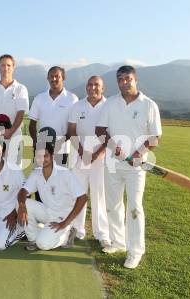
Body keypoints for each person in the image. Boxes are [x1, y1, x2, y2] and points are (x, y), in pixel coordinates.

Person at [95, 65, 162, 269]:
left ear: (136, 80)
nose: (124, 82)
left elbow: (155, 136)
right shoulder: (110, 104)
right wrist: (115, 149)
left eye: (128, 79)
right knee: (113, 205)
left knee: (134, 208)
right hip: (113, 165)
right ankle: (118, 242)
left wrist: (137, 154)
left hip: (137, 167)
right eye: (120, 79)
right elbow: (100, 130)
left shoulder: (149, 105)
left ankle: (135, 251)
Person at [17, 144, 87, 251]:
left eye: (46, 156)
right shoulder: (36, 173)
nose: (42, 159)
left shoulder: (65, 173)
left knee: (43, 244)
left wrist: (65, 223)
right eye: (39, 156)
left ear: (52, 156)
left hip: (63, 217)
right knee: (22, 203)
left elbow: (83, 198)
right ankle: (33, 239)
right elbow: (23, 191)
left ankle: (67, 234)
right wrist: (21, 207)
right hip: (47, 211)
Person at [67, 76, 110, 247]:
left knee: (99, 195)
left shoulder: (108, 106)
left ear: (103, 88)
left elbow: (111, 132)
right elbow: (71, 130)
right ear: (86, 87)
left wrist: (98, 153)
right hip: (81, 155)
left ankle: (102, 234)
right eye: (90, 85)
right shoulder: (78, 105)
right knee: (79, 193)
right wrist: (81, 151)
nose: (93, 88)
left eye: (97, 85)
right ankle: (78, 229)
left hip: (102, 158)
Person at [0, 54, 29, 165]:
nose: (6, 68)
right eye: (3, 65)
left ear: (13, 67)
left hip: (14, 135)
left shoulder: (20, 89)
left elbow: (21, 113)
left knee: (14, 170)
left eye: (9, 65)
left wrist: (11, 131)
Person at [28, 66, 78, 166]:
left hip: (62, 150)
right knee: (40, 179)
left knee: (58, 181)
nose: (54, 79)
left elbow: (73, 128)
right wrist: (36, 142)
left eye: (57, 76)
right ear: (47, 78)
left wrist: (59, 143)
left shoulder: (72, 99)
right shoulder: (39, 98)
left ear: (63, 78)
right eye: (51, 76)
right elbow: (32, 124)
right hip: (42, 149)